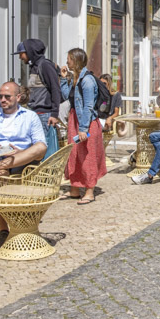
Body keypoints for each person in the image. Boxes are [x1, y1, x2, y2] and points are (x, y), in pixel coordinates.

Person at [0, 81, 48, 236]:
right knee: (1, 175)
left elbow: (40, 144)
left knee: (40, 147)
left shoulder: (30, 116)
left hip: (22, 159)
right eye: (0, 97)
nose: (3, 100)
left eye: (7, 96)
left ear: (18, 97)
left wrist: (21, 151)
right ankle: (4, 230)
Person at [59, 48, 105, 204]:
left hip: (86, 123)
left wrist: (83, 129)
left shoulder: (87, 80)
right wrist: (64, 79)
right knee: (74, 155)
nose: (66, 62)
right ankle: (74, 189)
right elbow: (67, 97)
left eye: (69, 59)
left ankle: (89, 191)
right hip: (75, 121)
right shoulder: (76, 78)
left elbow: (88, 106)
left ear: (76, 60)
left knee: (87, 157)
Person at [15, 39, 62, 159]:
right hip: (35, 113)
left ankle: (46, 175)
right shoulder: (34, 67)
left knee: (44, 148)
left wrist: (54, 113)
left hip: (44, 115)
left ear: (30, 52)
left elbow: (55, 89)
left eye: (22, 53)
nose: (20, 57)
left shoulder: (45, 65)